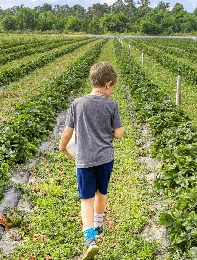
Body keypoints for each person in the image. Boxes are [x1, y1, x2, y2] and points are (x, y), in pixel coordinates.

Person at [59, 62, 124, 259]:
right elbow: (119, 134)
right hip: (105, 159)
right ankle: (99, 225)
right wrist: (110, 130)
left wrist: (62, 148)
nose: (112, 91)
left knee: (85, 200)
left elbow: (67, 133)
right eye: (112, 88)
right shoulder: (111, 104)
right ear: (107, 83)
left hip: (85, 160)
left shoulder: (77, 104)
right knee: (101, 193)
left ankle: (90, 239)